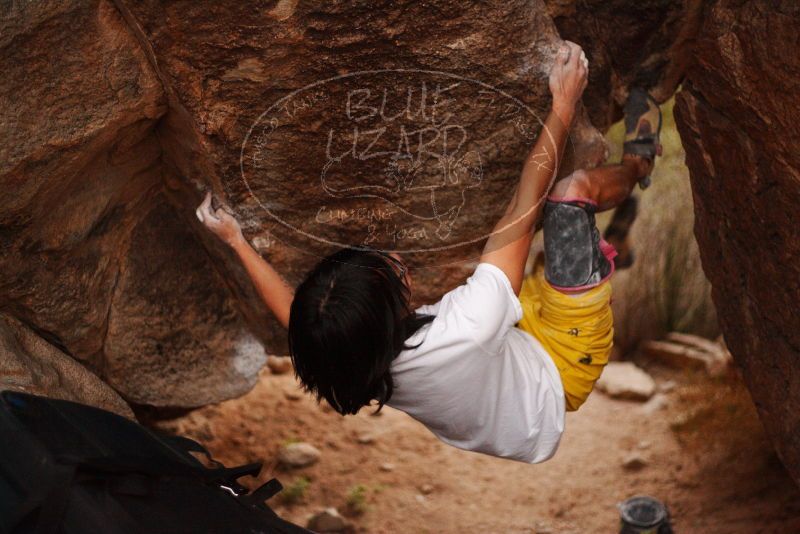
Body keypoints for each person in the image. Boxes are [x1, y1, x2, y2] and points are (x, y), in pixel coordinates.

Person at [196, 41, 662, 463]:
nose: (393, 259)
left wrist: (236, 239)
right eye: (389, 273)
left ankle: (607, 249)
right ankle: (638, 164)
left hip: (509, 354)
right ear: (390, 309)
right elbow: (527, 200)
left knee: (541, 261)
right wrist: (563, 102)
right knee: (568, 195)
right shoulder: (466, 328)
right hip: (560, 360)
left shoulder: (358, 360)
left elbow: (295, 315)